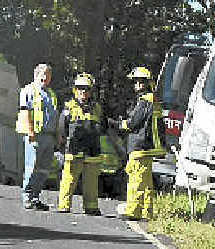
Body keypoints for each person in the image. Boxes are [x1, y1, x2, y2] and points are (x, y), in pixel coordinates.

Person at [113, 66, 166, 221]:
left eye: (140, 82)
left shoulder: (144, 102)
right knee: (146, 182)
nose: (137, 84)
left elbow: (133, 123)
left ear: (147, 83)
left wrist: (116, 124)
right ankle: (146, 211)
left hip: (140, 147)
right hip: (148, 147)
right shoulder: (154, 100)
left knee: (136, 180)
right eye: (135, 81)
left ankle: (133, 211)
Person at [57, 73, 105, 215]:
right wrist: (63, 146)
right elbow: (61, 128)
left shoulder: (97, 108)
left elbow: (103, 126)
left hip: (92, 150)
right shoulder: (69, 107)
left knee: (91, 181)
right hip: (74, 149)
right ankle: (64, 205)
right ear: (74, 89)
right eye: (79, 88)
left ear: (91, 91)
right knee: (69, 179)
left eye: (86, 88)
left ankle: (91, 207)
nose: (83, 92)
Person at [18, 63, 59, 210]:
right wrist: (30, 132)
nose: (45, 77)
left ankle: (36, 197)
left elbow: (55, 116)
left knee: (43, 169)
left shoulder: (51, 94)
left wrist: (57, 136)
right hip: (35, 135)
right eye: (42, 74)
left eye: (48, 75)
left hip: (49, 136)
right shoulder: (28, 90)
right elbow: (25, 112)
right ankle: (27, 196)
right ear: (36, 75)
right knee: (32, 167)